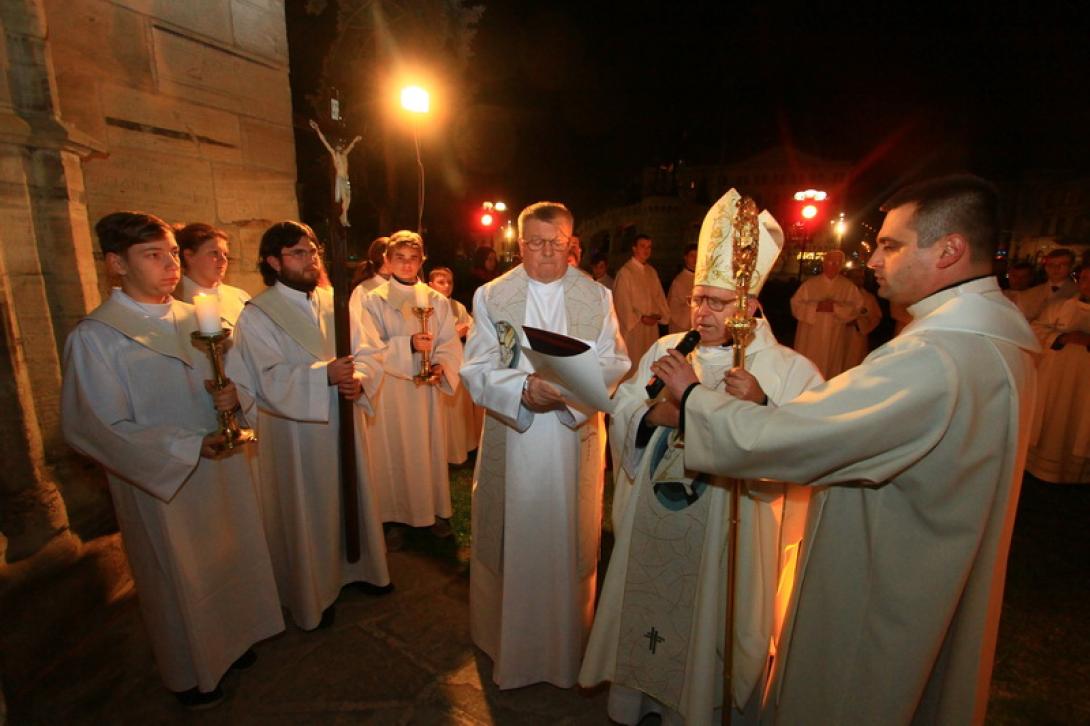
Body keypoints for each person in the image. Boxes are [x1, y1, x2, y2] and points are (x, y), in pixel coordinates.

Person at [648, 174, 1039, 724]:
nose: (873, 259)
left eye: (891, 244)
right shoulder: (997, 341)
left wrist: (692, 398)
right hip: (934, 565)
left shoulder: (935, 357)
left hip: (883, 582)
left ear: (950, 250)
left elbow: (799, 438)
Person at [579, 189, 823, 725]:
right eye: (698, 299)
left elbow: (808, 444)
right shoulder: (667, 349)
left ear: (751, 307)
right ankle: (638, 698)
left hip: (725, 530)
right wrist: (650, 417)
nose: (703, 311)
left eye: (718, 302)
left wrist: (759, 404)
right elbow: (622, 409)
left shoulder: (785, 368)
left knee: (711, 616)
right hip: (654, 523)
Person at [62, 212, 283, 708]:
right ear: (116, 264)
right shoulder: (98, 337)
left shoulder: (197, 320)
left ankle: (236, 636)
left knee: (229, 553)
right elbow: (94, 426)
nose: (168, 265)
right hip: (161, 481)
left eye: (169, 253)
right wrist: (185, 446)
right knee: (178, 572)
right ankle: (191, 671)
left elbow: (236, 381)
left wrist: (234, 397)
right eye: (152, 255)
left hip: (221, 467)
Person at [460, 201, 630, 689]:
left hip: (571, 435)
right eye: (534, 242)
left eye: (556, 242)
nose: (546, 252)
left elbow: (615, 360)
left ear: (572, 243)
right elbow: (477, 365)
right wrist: (521, 390)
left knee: (567, 535)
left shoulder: (595, 297)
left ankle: (565, 644)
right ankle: (507, 644)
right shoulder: (494, 295)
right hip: (513, 440)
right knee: (514, 532)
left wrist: (570, 395)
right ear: (519, 244)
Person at [227, 221, 391, 631]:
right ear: (272, 261)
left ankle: (360, 570)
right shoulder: (258, 315)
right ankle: (315, 590)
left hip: (344, 416)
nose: (311, 259)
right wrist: (324, 376)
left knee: (350, 493)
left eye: (313, 251)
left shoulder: (336, 302)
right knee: (310, 505)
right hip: (297, 430)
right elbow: (263, 378)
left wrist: (361, 379)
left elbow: (369, 351)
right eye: (298, 253)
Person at [353, 231, 462, 545]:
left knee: (426, 449)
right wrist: (408, 346)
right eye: (399, 258)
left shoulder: (437, 301)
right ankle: (393, 518)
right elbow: (367, 348)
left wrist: (442, 364)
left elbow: (449, 343)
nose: (406, 264)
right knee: (393, 452)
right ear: (387, 260)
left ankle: (434, 512)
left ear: (421, 261)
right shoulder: (373, 300)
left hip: (425, 392)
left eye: (413, 258)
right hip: (390, 390)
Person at [1027, 265, 1090, 483]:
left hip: (1086, 383)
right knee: (1053, 417)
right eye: (1084, 278)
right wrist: (1062, 338)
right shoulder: (1061, 305)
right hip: (1056, 378)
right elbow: (1036, 329)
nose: (1087, 284)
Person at [429, 266, 483, 465]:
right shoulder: (426, 306)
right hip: (438, 364)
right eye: (440, 282)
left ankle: (462, 449)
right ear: (430, 284)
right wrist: (454, 333)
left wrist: (468, 330)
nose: (446, 286)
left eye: (449, 282)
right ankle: (443, 453)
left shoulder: (458, 307)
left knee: (460, 410)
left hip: (458, 362)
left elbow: (471, 327)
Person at [789, 249, 865, 378]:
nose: (833, 265)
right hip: (810, 335)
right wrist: (816, 307)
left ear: (841, 265)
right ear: (824, 263)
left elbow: (856, 307)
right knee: (808, 366)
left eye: (837, 263)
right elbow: (796, 305)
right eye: (830, 262)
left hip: (835, 334)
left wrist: (835, 308)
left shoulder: (848, 287)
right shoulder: (810, 285)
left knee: (831, 367)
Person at [613, 234, 670, 376]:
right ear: (634, 249)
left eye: (649, 247)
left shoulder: (651, 272)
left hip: (650, 330)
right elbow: (621, 303)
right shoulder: (625, 273)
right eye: (642, 246)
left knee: (648, 366)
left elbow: (658, 298)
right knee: (633, 367)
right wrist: (640, 317)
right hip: (633, 331)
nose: (646, 250)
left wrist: (659, 314)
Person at [174, 223, 251, 326]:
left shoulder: (241, 297)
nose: (223, 260)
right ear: (189, 256)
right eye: (214, 253)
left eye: (225, 254)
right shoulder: (173, 301)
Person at [308, 120, 362, 227]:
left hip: (345, 179)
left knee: (348, 200)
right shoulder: (334, 154)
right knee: (345, 199)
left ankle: (343, 216)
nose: (340, 147)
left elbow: (350, 147)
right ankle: (344, 217)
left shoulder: (344, 154)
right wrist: (317, 129)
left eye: (341, 146)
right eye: (339, 146)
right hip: (340, 178)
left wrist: (355, 140)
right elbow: (325, 142)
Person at [1018, 248, 1077, 321]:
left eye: (1063, 264)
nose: (1056, 268)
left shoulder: (1078, 293)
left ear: (1071, 267)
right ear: (1045, 267)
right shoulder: (1030, 293)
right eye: (1051, 265)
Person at [844, 266, 883, 368]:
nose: (858, 280)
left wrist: (859, 323)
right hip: (840, 336)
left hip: (857, 337)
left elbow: (876, 317)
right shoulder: (841, 295)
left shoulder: (869, 298)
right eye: (855, 277)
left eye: (861, 277)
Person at [666, 243, 698, 332]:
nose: (695, 259)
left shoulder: (702, 278)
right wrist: (688, 303)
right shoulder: (679, 281)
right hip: (682, 326)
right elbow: (672, 307)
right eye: (692, 256)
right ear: (686, 257)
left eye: (697, 256)